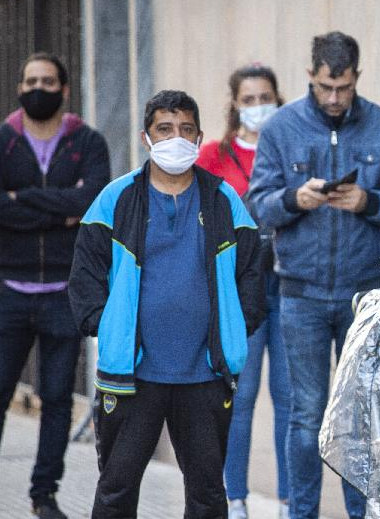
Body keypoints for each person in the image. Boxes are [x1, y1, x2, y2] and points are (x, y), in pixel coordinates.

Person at [68, 90, 266, 518]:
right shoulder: (116, 199)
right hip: (133, 372)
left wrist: (238, 325)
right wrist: (108, 326)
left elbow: (253, 268)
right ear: (146, 137)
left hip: (205, 372)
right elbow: (85, 271)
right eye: (165, 129)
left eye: (185, 130)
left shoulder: (223, 200)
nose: (176, 138)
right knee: (116, 489)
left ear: (199, 139)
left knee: (209, 493)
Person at [246, 31, 380, 519]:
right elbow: (259, 206)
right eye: (325, 87)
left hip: (365, 295)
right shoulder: (281, 128)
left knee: (363, 418)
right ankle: (301, 513)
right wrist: (293, 200)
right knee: (305, 416)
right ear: (311, 78)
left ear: (357, 77)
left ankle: (362, 514)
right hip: (299, 294)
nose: (335, 98)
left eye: (343, 87)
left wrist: (369, 202)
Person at [0, 52, 110, 519]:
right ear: (20, 88)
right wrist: (61, 210)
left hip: (64, 292)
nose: (39, 87)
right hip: (10, 291)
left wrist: (29, 200)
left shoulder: (88, 143)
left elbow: (91, 200)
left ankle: (45, 496)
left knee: (56, 400)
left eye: (48, 80)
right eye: (31, 80)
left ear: (64, 89)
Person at [196, 63, 291, 519]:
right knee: (241, 390)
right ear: (235, 103)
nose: (259, 107)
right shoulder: (214, 155)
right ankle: (234, 498)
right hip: (239, 285)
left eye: (266, 97)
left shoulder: (293, 147)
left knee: (292, 397)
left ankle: (292, 499)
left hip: (290, 280)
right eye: (249, 99)